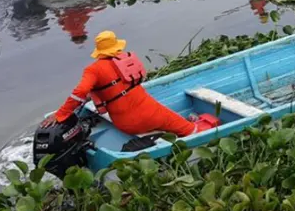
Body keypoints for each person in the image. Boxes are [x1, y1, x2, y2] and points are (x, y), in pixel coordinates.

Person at [40, 31, 219, 136]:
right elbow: (82, 91)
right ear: (116, 47)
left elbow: (81, 92)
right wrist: (63, 113)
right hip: (149, 114)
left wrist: (61, 114)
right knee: (188, 128)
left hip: (124, 122)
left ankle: (175, 127)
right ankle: (194, 128)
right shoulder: (125, 62)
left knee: (165, 115)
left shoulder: (93, 71)